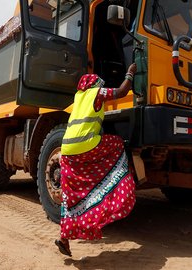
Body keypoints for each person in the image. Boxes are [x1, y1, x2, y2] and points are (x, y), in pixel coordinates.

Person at [55, 64, 138, 257]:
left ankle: (64, 238)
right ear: (94, 84)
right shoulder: (97, 93)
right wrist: (130, 73)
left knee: (71, 196)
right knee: (117, 144)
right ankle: (118, 184)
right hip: (86, 145)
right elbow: (122, 91)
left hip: (67, 149)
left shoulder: (78, 97)